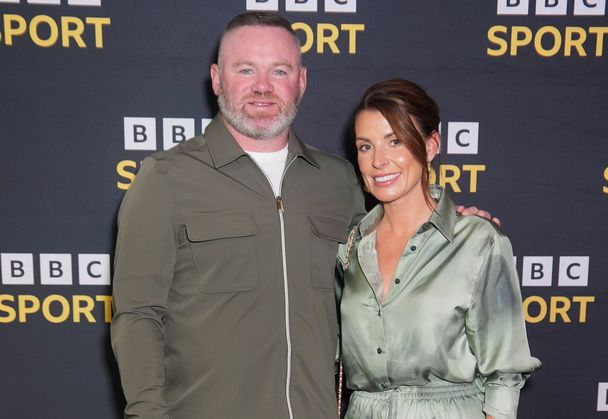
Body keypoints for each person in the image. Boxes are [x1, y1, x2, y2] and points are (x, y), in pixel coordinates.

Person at [111, 12, 498, 419]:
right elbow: (137, 316)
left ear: (301, 81)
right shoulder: (166, 179)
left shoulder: (340, 180)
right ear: (217, 78)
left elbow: (395, 257)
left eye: (279, 71)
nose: (263, 86)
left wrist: (448, 227)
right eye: (246, 69)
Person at [338, 79, 541, 419]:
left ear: (431, 146)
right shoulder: (349, 249)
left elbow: (504, 375)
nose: (378, 160)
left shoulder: (476, 241)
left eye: (395, 141)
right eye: (365, 146)